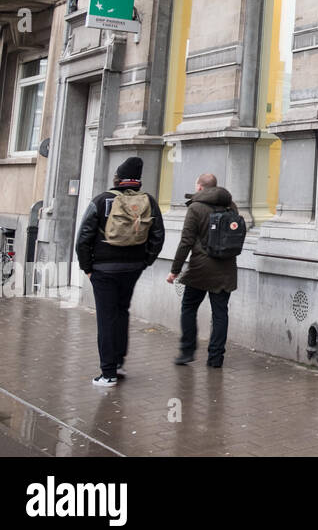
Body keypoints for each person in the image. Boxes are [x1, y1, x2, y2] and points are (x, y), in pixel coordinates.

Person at [76, 156, 165, 386]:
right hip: (132, 268)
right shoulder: (149, 201)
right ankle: (118, 363)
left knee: (106, 318)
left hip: (103, 269)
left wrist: (87, 268)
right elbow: (158, 236)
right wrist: (145, 261)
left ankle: (107, 374)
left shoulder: (101, 200)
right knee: (122, 312)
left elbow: (83, 238)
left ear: (117, 178)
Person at [167, 173, 242, 368]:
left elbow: (186, 242)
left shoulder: (195, 208)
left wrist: (175, 270)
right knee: (220, 313)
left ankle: (187, 351)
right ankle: (216, 358)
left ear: (200, 188)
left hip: (200, 269)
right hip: (226, 268)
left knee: (189, 307)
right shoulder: (230, 206)